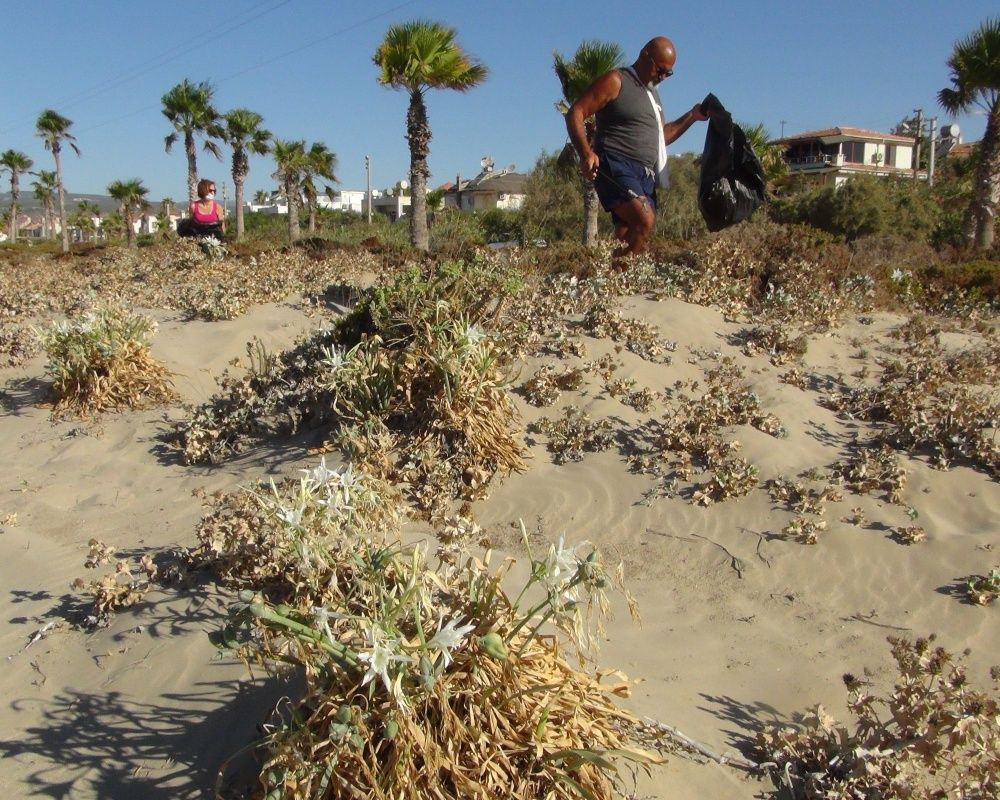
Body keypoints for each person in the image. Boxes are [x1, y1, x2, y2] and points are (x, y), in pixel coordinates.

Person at [565, 36, 708, 261]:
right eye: (660, 70)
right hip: (615, 163)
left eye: (668, 73)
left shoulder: (653, 96)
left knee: (627, 230)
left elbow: (662, 137)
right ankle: (618, 277)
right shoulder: (617, 80)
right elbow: (576, 112)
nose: (663, 77)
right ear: (644, 56)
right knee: (645, 220)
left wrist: (692, 116)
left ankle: (610, 281)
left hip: (645, 173)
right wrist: (585, 152)